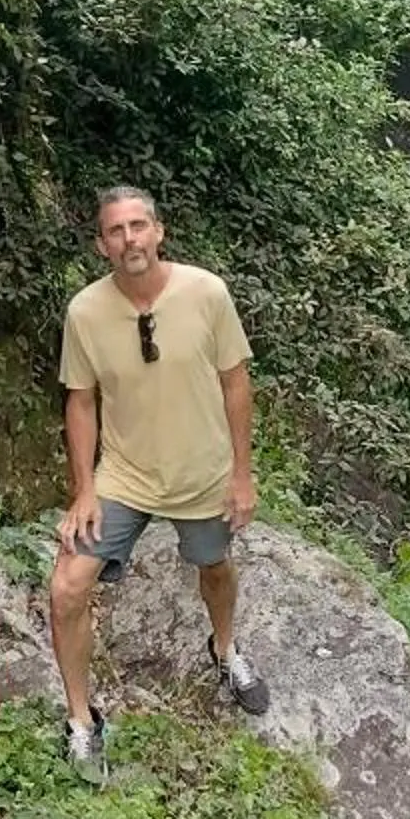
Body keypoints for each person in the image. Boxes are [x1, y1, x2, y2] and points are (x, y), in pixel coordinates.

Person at [50, 186, 267, 778]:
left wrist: (242, 474)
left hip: (201, 469)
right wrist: (84, 489)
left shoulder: (206, 292)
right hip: (124, 475)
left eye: (138, 226)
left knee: (214, 568)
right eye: (116, 231)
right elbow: (81, 402)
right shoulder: (86, 312)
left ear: (159, 231)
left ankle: (223, 649)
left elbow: (235, 383)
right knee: (68, 586)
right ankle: (80, 720)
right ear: (102, 245)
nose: (130, 240)